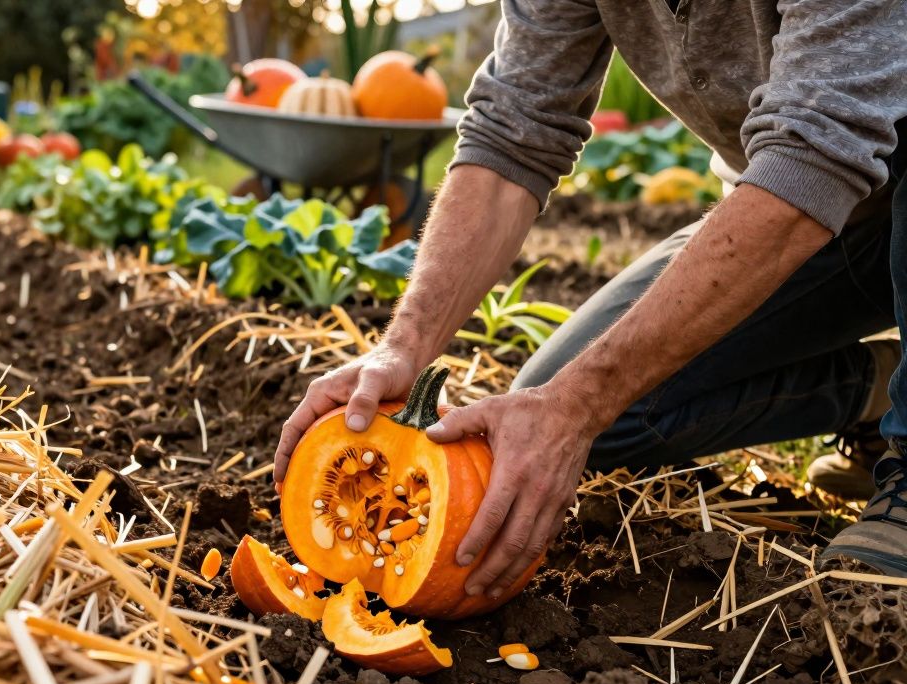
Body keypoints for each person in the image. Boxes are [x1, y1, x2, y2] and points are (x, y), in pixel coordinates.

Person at [273, 0, 907, 600]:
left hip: (826, 184)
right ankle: (881, 387)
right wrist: (403, 347)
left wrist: (577, 405)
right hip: (823, 221)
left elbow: (813, 154)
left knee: (578, 405)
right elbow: (511, 133)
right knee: (592, 413)